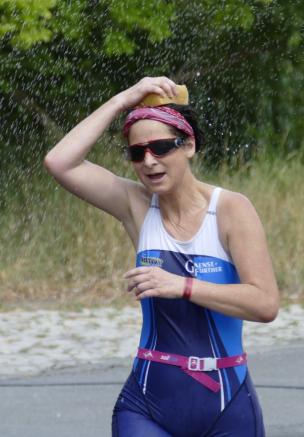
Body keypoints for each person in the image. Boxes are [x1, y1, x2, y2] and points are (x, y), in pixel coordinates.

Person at [44, 76, 280, 436]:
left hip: (226, 403)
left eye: (161, 147)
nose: (149, 161)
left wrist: (183, 286)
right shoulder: (136, 205)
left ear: (189, 145)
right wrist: (123, 99)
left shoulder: (231, 209)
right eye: (137, 153)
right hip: (147, 405)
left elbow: (264, 304)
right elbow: (60, 162)